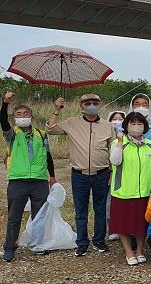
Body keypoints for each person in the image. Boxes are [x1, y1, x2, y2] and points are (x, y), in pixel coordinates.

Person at [47, 94, 116, 256]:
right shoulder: (71, 122)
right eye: (87, 103)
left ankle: (99, 241)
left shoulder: (107, 126)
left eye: (94, 103)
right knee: (81, 210)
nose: (91, 105)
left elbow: (113, 150)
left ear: (99, 105)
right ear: (81, 106)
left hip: (102, 173)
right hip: (79, 174)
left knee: (100, 209)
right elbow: (50, 129)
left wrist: (112, 172)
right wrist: (57, 110)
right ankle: (82, 243)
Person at [2, 91, 56, 262]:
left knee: (39, 215)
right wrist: (5, 103)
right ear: (14, 118)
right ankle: (10, 247)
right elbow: (2, 120)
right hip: (18, 180)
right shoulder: (11, 134)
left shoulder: (41, 134)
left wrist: (52, 176)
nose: (22, 116)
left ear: (31, 116)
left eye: (26, 114)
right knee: (14, 216)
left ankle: (37, 245)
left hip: (39, 180)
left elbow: (48, 156)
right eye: (18, 114)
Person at [109, 111, 151, 265]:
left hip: (142, 191)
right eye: (132, 123)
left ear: (144, 126)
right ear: (126, 126)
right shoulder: (118, 143)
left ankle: (139, 251)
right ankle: (129, 252)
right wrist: (119, 143)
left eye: (139, 123)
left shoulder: (149, 144)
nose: (136, 127)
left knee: (141, 223)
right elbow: (115, 161)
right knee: (122, 224)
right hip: (122, 191)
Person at [128, 93, 151, 159]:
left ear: (149, 107)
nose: (141, 107)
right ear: (132, 106)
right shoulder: (125, 124)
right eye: (137, 104)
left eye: (144, 105)